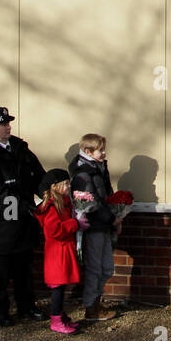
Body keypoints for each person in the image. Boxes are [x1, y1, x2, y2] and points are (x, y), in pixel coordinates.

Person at [0, 106, 47, 327]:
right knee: (2, 270)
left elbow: (37, 176)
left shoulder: (20, 149)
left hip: (23, 220)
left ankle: (27, 307)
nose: (8, 127)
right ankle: (1, 311)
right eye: (3, 124)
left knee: (24, 267)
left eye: (8, 123)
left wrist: (47, 194)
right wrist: (25, 208)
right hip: (3, 223)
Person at [69, 133, 120, 323]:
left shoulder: (99, 168)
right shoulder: (83, 173)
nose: (105, 154)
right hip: (93, 226)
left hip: (104, 224)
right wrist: (111, 218)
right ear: (88, 151)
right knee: (95, 268)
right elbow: (92, 201)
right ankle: (91, 306)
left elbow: (106, 193)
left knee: (107, 267)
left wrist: (116, 214)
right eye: (101, 150)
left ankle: (96, 301)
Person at [36, 169, 83, 335]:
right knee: (58, 287)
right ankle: (56, 319)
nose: (69, 186)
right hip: (57, 252)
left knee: (61, 286)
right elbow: (54, 230)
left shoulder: (63, 202)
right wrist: (74, 224)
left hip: (63, 250)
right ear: (55, 187)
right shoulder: (51, 207)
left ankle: (60, 315)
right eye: (66, 184)